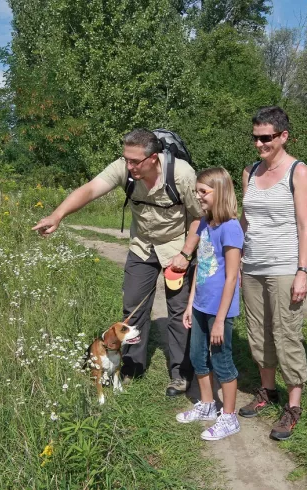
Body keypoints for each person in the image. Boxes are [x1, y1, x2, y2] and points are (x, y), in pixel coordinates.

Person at [32, 128, 203, 397]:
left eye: (136, 161)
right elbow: (90, 189)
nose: (129, 166)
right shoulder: (125, 168)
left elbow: (198, 216)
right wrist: (58, 215)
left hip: (177, 247)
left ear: (154, 158)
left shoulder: (181, 174)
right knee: (133, 306)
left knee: (179, 311)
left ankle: (180, 374)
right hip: (142, 246)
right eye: (126, 159)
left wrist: (186, 253)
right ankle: (132, 367)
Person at [239, 106, 307, 440]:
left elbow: (306, 226)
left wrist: (302, 271)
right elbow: (245, 222)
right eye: (256, 137)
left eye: (266, 138)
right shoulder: (250, 172)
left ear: (283, 136)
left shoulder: (298, 172)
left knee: (286, 334)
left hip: (285, 267)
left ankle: (293, 406)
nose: (259, 144)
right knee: (258, 332)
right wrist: (234, 257)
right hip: (251, 267)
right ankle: (267, 392)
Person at [177, 168, 243, 441]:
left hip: (219, 310)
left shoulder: (231, 228)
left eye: (203, 192)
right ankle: (207, 405)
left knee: (222, 362)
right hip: (201, 306)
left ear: (221, 192)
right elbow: (200, 268)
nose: (198, 197)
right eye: (197, 192)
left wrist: (219, 319)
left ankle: (229, 417)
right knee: (196, 357)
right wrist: (190, 304)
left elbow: (231, 278)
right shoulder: (205, 224)